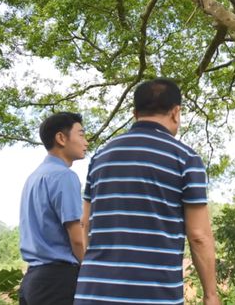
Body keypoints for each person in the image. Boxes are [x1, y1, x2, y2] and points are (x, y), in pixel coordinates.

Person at [74, 78, 219, 305]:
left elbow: (85, 223)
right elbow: (199, 236)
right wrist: (211, 295)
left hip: (93, 293)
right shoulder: (185, 159)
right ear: (176, 112)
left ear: (135, 113)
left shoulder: (101, 157)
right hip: (153, 295)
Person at [19, 112, 88, 305]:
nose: (86, 142)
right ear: (61, 138)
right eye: (81, 134)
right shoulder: (64, 176)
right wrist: (91, 272)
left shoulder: (34, 177)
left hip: (31, 281)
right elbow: (77, 239)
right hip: (57, 282)